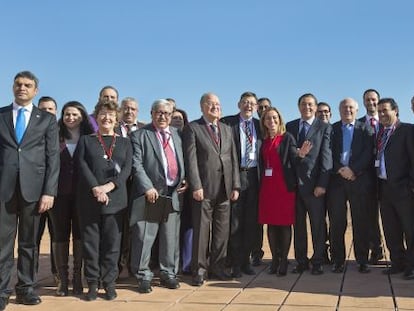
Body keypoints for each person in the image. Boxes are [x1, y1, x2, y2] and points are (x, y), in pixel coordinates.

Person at [0, 71, 59, 310]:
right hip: (3, 191)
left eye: (27, 85)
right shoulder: (1, 115)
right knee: (3, 244)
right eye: (18, 84)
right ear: (13, 87)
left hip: (34, 192)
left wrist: (49, 192)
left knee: (28, 243)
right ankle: (2, 292)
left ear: (35, 90)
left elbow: (52, 158)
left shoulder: (46, 119)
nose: (22, 88)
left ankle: (26, 289)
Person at [182, 92, 240, 286]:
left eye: (218, 103)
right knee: (201, 231)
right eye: (211, 103)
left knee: (222, 232)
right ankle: (198, 270)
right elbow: (191, 161)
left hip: (225, 189)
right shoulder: (193, 128)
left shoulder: (226, 129)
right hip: (203, 190)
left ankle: (218, 267)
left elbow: (233, 159)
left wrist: (235, 185)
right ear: (202, 107)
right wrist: (196, 185)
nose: (216, 107)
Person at [129, 99, 187, 293]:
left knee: (170, 238)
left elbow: (183, 160)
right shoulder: (139, 135)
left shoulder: (178, 135)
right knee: (145, 237)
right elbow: (136, 164)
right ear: (152, 113)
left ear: (171, 116)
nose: (163, 116)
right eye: (159, 113)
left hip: (173, 193)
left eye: (167, 114)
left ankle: (168, 273)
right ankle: (143, 275)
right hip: (151, 194)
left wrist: (184, 179)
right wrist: (147, 187)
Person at [77, 100, 132, 301]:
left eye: (110, 115)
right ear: (96, 117)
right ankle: (92, 283)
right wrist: (96, 188)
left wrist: (109, 187)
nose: (106, 118)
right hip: (90, 199)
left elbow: (126, 169)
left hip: (116, 200)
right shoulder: (86, 140)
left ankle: (109, 282)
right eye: (102, 114)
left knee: (112, 244)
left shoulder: (125, 143)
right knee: (91, 244)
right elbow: (82, 165)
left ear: (116, 118)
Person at [48, 101, 94, 296]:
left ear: (82, 116)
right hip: (58, 194)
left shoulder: (90, 138)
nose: (70, 118)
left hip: (83, 195)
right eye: (67, 114)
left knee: (80, 235)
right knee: (59, 235)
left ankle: (77, 278)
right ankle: (63, 280)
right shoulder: (54, 136)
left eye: (75, 114)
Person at [259, 107, 310, 276]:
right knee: (271, 224)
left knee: (284, 224)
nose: (271, 121)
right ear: (264, 122)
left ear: (279, 120)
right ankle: (274, 259)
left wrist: (301, 155)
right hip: (267, 187)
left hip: (284, 188)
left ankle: (283, 261)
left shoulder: (287, 138)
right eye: (268, 119)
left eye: (274, 118)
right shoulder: (263, 140)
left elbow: (294, 159)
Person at [286, 93, 332, 275]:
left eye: (310, 104)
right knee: (298, 226)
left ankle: (318, 260)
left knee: (318, 225)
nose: (307, 107)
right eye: (304, 104)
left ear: (315, 106)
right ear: (299, 107)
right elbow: (288, 155)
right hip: (294, 186)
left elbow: (326, 158)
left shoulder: (324, 127)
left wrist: (322, 184)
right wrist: (298, 154)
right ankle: (301, 260)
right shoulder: (290, 126)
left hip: (314, 186)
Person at [328, 98, 373, 274]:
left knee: (360, 221)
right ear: (339, 110)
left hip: (358, 180)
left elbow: (368, 153)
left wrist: (353, 170)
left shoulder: (366, 129)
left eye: (351, 107)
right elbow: (328, 152)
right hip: (337, 182)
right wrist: (340, 169)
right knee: (337, 223)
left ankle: (362, 260)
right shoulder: (332, 129)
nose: (347, 110)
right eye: (344, 107)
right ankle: (338, 260)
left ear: (356, 109)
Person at [221, 91, 261, 277]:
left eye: (252, 103)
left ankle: (246, 261)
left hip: (254, 177)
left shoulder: (260, 126)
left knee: (251, 222)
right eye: (245, 102)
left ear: (256, 107)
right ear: (238, 104)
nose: (248, 106)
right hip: (235, 176)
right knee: (235, 223)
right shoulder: (227, 123)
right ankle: (234, 263)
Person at [376, 98, 414, 279]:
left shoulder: (407, 130)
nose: (382, 114)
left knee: (410, 229)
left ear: (396, 110)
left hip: (404, 189)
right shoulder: (380, 134)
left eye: (385, 110)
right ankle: (397, 262)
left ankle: (412, 266)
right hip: (385, 189)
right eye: (379, 111)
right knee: (391, 229)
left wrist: (410, 187)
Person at [116, 96, 145, 277]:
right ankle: (118, 267)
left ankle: (136, 267)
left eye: (133, 109)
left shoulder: (145, 129)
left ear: (137, 111)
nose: (129, 112)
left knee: (138, 227)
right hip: (118, 185)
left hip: (139, 184)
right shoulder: (112, 128)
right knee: (120, 227)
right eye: (126, 108)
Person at [359, 89, 384, 264]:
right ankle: (375, 248)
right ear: (363, 102)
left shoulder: (388, 123)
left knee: (391, 214)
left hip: (386, 176)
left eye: (374, 99)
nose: (371, 102)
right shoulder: (358, 124)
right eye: (368, 100)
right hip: (366, 176)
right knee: (369, 215)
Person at [36, 96, 58, 283]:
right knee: (33, 236)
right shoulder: (30, 132)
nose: (47, 112)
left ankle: (57, 272)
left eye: (50, 109)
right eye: (43, 109)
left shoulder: (61, 133)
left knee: (56, 235)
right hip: (33, 193)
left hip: (56, 193)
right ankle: (30, 275)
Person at [170, 108, 192, 274]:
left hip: (188, 188)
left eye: (180, 118)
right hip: (169, 189)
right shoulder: (165, 137)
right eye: (174, 117)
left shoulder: (188, 136)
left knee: (187, 227)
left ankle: (186, 263)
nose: (177, 120)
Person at [251, 97, 272, 266]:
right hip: (253, 177)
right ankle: (255, 252)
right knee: (254, 219)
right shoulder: (254, 126)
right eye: (261, 107)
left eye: (267, 107)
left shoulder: (272, 127)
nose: (263, 109)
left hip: (269, 179)